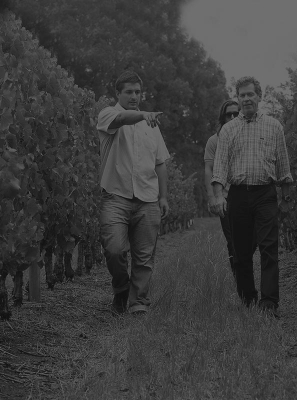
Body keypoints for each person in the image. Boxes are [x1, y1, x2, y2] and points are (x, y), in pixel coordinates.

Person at [211, 76, 293, 318]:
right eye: (242, 95)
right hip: (238, 195)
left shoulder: (274, 127)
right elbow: (220, 166)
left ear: (259, 96)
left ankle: (269, 303)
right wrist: (218, 195)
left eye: (250, 94)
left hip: (265, 193)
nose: (246, 99)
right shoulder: (228, 130)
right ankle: (248, 299)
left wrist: (286, 195)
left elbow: (283, 164)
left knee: (269, 248)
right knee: (241, 252)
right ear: (238, 98)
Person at [96, 70, 170, 316]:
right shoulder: (108, 114)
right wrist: (143, 115)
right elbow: (122, 119)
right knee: (114, 249)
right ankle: (121, 289)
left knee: (144, 256)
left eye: (138, 92)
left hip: (148, 198)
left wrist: (163, 197)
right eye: (128, 92)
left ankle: (138, 301)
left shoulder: (152, 126)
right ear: (118, 93)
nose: (134, 96)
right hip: (115, 196)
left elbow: (160, 162)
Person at [204, 100, 239, 276]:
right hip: (224, 197)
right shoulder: (213, 141)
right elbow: (208, 169)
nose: (232, 117)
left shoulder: (248, 137)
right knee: (232, 241)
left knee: (250, 240)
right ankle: (239, 281)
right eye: (228, 114)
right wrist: (212, 197)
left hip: (247, 194)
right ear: (222, 117)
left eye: (236, 113)